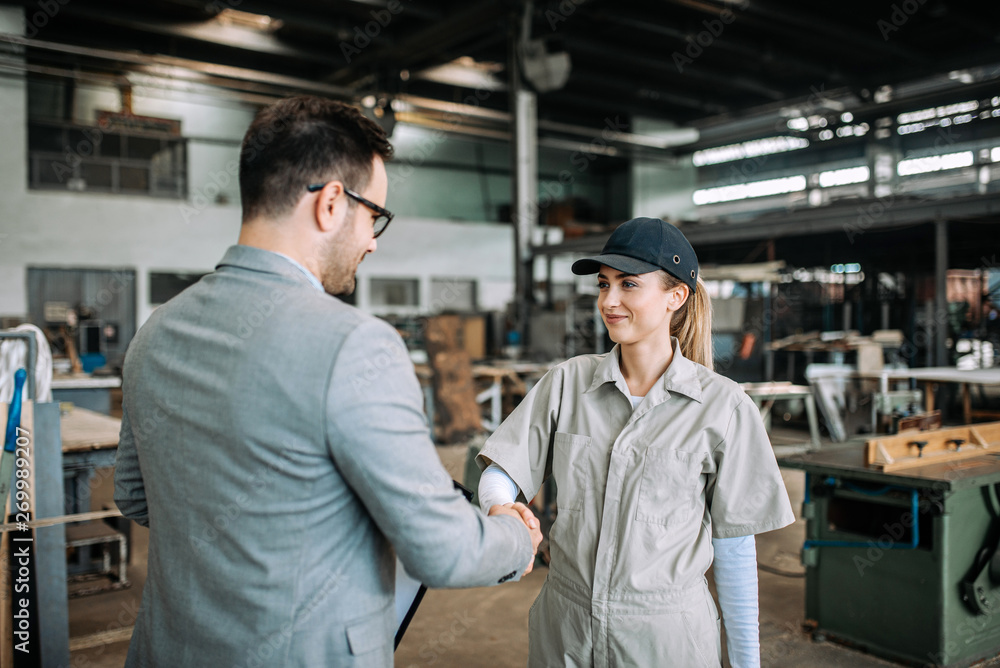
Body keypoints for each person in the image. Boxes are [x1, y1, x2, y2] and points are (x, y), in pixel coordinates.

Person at [114, 96, 542, 668]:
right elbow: (442, 552)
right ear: (332, 203)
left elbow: (135, 498)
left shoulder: (157, 331)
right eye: (374, 218)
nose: (371, 241)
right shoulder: (355, 345)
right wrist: (516, 537)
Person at [477, 217, 795, 667]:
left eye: (629, 285)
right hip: (566, 630)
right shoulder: (568, 383)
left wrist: (747, 663)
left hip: (665, 642)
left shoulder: (724, 407)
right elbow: (503, 469)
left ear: (675, 296)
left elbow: (735, 548)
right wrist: (498, 504)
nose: (609, 301)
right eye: (603, 285)